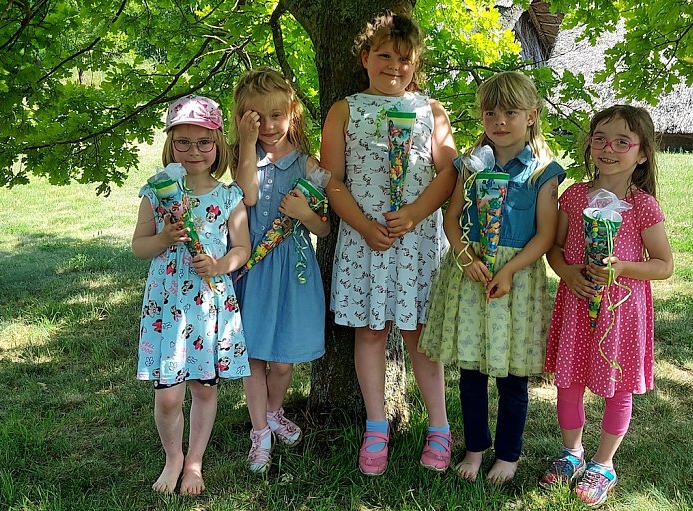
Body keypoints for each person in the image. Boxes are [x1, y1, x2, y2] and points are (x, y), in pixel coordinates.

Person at [320, 12, 458, 476]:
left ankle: (439, 427)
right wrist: (361, 224)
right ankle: (376, 425)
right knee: (371, 332)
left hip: (417, 241)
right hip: (366, 244)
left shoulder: (431, 112)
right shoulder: (345, 110)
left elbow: (449, 173)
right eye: (383, 56)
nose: (394, 66)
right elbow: (331, 180)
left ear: (416, 63)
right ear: (365, 58)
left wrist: (416, 213)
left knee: (422, 336)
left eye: (404, 59)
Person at [419, 71, 565, 484]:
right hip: (471, 274)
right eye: (490, 113)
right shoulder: (470, 164)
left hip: (515, 283)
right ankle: (476, 447)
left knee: (514, 375)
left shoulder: (542, 172)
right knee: (472, 373)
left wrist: (509, 269)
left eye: (511, 112)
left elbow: (545, 234)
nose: (499, 121)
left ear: (532, 115)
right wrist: (466, 258)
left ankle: (509, 454)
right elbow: (451, 220)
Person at [541, 105, 674, 507]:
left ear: (642, 154)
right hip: (578, 304)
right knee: (569, 381)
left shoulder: (643, 206)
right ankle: (572, 452)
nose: (608, 148)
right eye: (599, 138)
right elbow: (557, 248)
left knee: (617, 387)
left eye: (622, 142)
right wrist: (567, 273)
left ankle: (603, 464)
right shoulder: (575, 196)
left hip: (622, 313)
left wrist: (622, 268)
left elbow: (664, 265)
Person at [133, 95, 251, 495]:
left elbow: (241, 248)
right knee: (168, 397)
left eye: (204, 142)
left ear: (217, 144)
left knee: (205, 388)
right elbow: (139, 247)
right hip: (167, 306)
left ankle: (195, 461)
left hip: (208, 305)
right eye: (182, 142)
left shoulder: (228, 196)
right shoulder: (156, 192)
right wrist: (164, 237)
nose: (194, 151)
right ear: (170, 144)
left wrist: (220, 266)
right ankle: (173, 457)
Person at [231, 68, 329, 475]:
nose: (269, 126)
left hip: (293, 271)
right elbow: (248, 193)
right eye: (257, 118)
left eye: (276, 116)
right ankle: (260, 431)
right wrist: (247, 143)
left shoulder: (308, 164)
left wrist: (305, 212)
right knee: (253, 354)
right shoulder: (246, 158)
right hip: (253, 268)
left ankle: (274, 412)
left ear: (292, 113)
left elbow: (323, 227)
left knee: (284, 358)